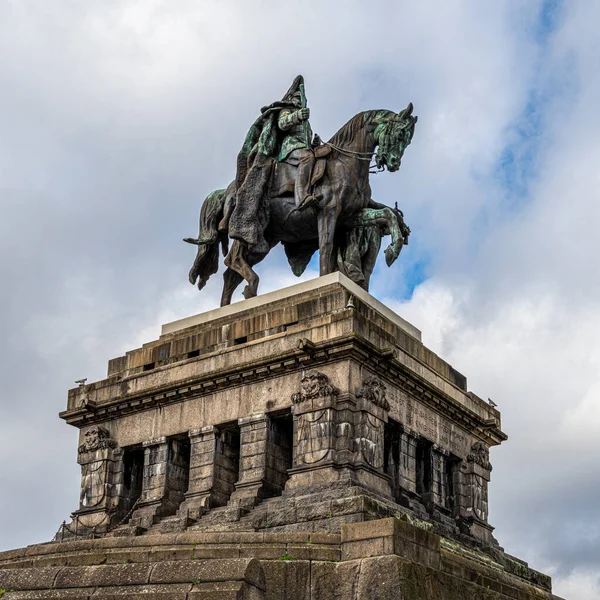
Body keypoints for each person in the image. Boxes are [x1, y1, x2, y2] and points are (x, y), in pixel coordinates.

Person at [226, 75, 321, 248]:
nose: (300, 101)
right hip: (289, 149)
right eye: (298, 98)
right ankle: (303, 197)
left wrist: (315, 143)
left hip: (302, 148)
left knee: (317, 156)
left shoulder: (306, 122)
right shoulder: (286, 110)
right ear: (291, 97)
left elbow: (306, 140)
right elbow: (282, 125)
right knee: (308, 157)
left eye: (302, 98)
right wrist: (297, 116)